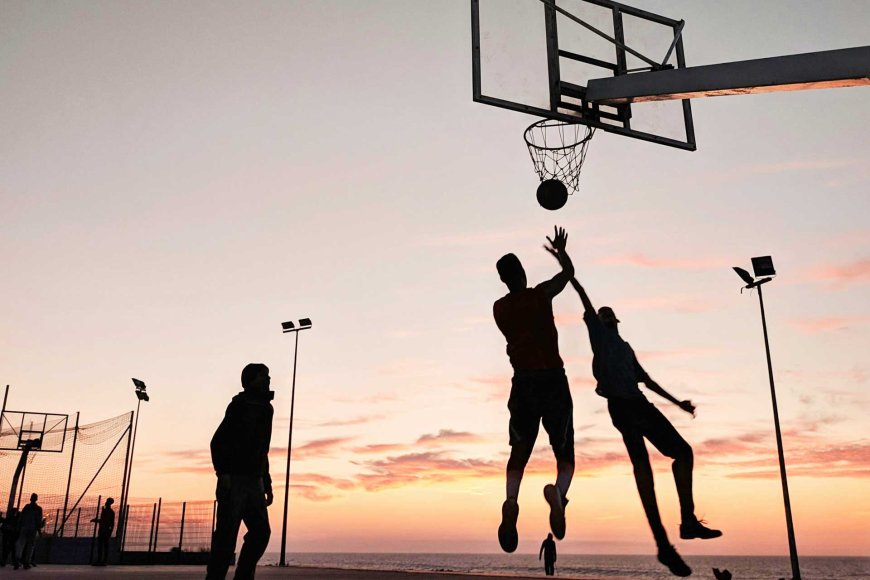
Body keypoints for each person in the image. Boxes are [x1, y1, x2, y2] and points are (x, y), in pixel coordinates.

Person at [561, 270, 722, 577]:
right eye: (600, 314)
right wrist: (566, 263)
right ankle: (663, 545)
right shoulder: (599, 336)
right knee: (643, 470)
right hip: (621, 408)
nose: (603, 316)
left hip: (639, 404)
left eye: (608, 315)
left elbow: (647, 380)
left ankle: (688, 522)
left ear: (616, 321)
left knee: (684, 453)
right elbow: (581, 292)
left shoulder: (625, 347)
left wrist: (679, 404)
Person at [493, 226, 575, 553]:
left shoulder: (500, 308)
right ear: (522, 272)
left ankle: (511, 500)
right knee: (564, 453)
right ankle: (559, 494)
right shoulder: (540, 294)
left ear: (503, 280)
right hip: (553, 378)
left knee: (519, 451)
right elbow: (567, 274)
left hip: (523, 381)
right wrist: (560, 253)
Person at [206, 363, 275, 580]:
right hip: (234, 479)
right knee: (226, 537)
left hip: (255, 480)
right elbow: (218, 442)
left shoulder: (267, 408)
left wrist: (267, 481)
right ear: (251, 380)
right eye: (264, 376)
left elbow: (263, 449)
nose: (268, 380)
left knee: (261, 532)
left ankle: (244, 575)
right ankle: (215, 577)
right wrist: (224, 473)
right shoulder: (239, 406)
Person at [16, 493, 43, 570]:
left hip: (24, 528)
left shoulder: (26, 507)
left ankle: (17, 559)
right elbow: (38, 521)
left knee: (21, 544)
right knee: (30, 546)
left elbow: (21, 518)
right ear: (36, 499)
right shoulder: (38, 509)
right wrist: (39, 530)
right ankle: (26, 562)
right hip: (33, 529)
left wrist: (19, 527)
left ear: (30, 499)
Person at [91, 497, 115, 566]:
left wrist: (110, 532)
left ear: (109, 503)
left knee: (104, 546)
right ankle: (100, 560)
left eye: (107, 501)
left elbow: (111, 523)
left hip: (105, 531)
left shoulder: (110, 512)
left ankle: (104, 561)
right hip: (102, 530)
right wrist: (96, 520)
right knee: (101, 546)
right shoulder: (105, 510)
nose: (106, 502)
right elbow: (103, 520)